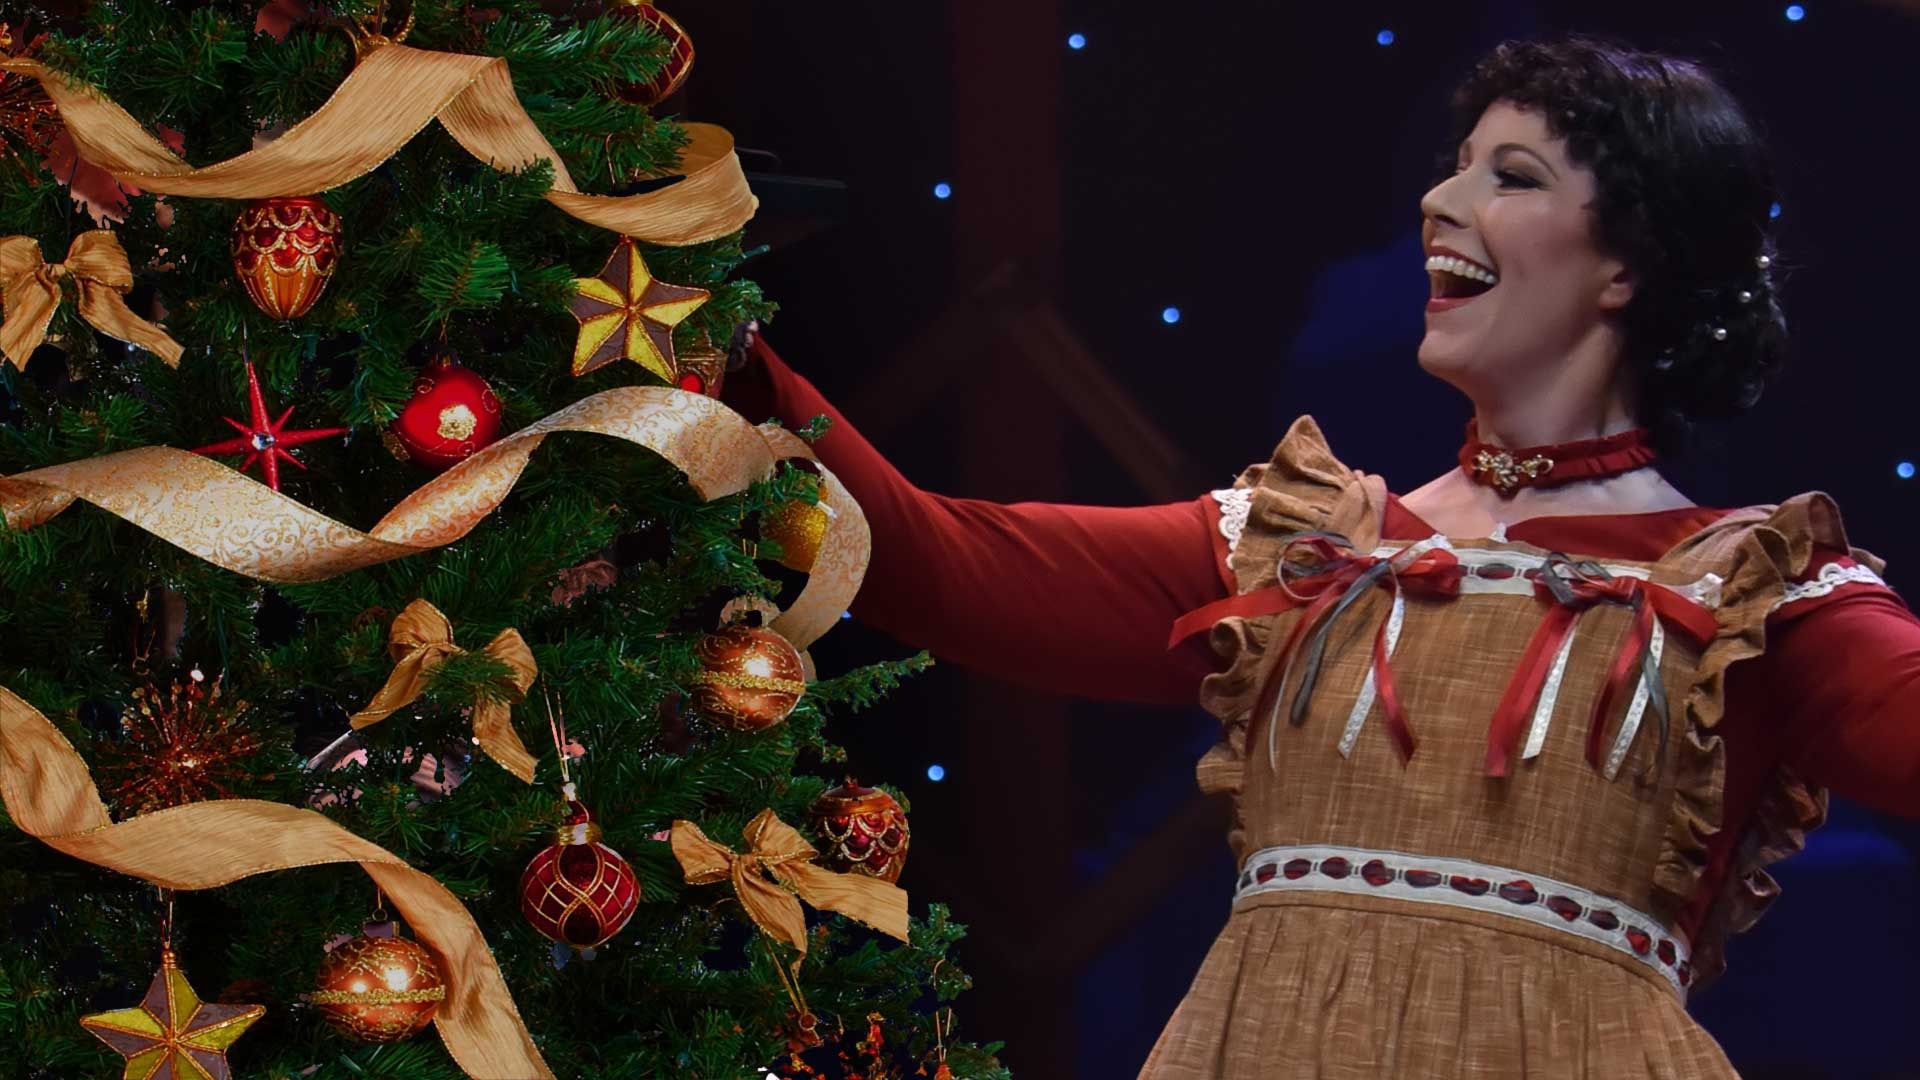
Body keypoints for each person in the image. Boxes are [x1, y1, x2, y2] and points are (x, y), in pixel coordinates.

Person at [722, 37, 1920, 1078]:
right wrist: (702, 346)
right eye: (1455, 166)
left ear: (1630, 265)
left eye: (1513, 176)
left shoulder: (1753, 597)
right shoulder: (1307, 550)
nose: (1442, 204)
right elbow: (927, 560)